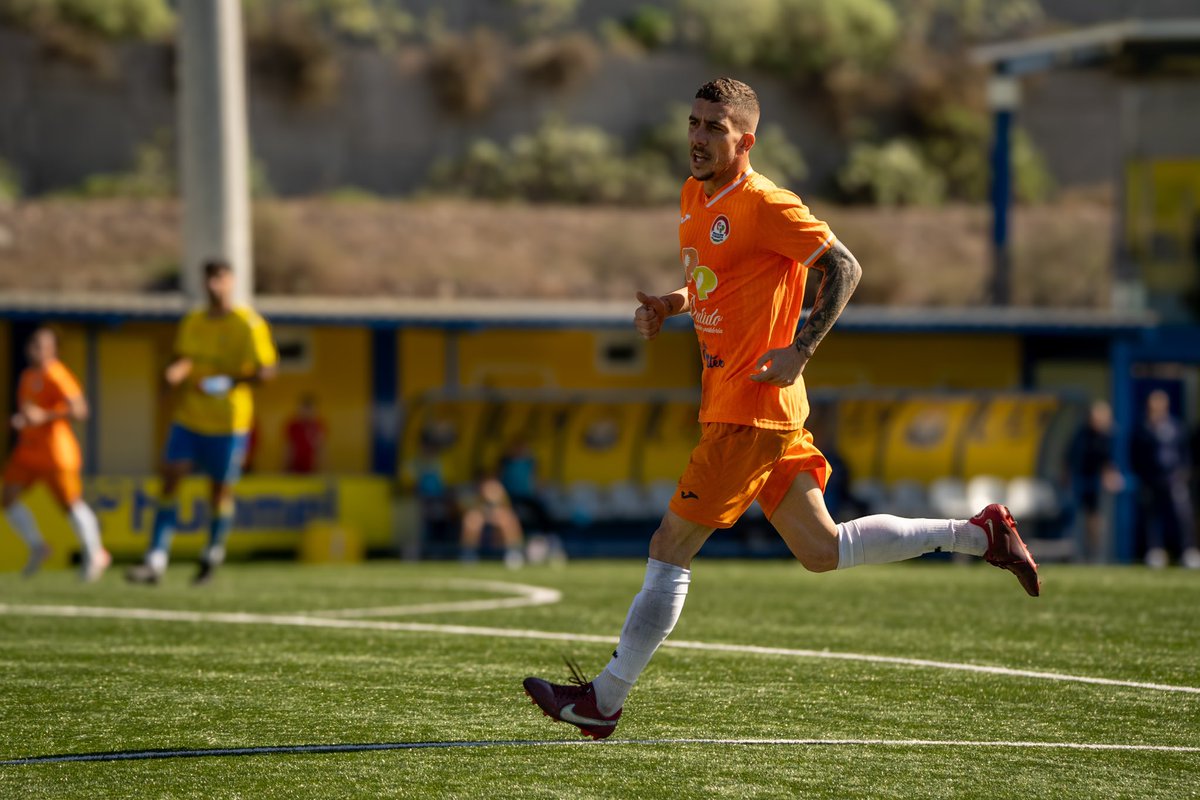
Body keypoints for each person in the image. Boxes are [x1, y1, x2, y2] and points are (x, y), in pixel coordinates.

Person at [522, 78, 1040, 740]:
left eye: (714, 127)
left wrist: (800, 348)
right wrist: (670, 306)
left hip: (752, 408)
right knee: (824, 549)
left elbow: (845, 268)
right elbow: (717, 280)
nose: (698, 137)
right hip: (751, 410)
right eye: (693, 123)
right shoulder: (693, 198)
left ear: (746, 139)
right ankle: (980, 534)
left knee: (668, 546)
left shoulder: (768, 203)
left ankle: (605, 700)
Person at [126, 259, 277, 586]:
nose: (214, 286)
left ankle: (211, 554)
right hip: (189, 418)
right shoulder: (193, 321)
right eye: (209, 279)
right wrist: (174, 374)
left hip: (228, 423)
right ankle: (156, 558)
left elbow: (266, 371)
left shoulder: (248, 324)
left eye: (220, 279)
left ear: (232, 282)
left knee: (219, 492)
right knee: (170, 479)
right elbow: (183, 359)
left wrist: (230, 381)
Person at [2, 327, 109, 581]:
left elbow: (81, 410)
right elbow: (32, 413)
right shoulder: (27, 376)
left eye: (42, 345)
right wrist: (22, 420)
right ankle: (38, 546)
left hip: (56, 453)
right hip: (28, 451)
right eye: (33, 344)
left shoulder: (58, 374)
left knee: (71, 504)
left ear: (53, 350)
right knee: (7, 498)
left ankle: (96, 553)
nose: (36, 349)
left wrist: (45, 416)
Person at [1130, 389, 1198, 568]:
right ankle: (1155, 551)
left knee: (1182, 515)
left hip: (1174, 478)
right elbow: (1135, 455)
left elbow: (1185, 452)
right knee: (1152, 517)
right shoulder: (1142, 428)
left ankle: (1188, 551)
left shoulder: (1176, 426)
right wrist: (1142, 476)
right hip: (1152, 479)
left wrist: (1184, 472)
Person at [1065, 399, 1123, 562]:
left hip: (1102, 489)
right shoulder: (1081, 435)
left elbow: (1113, 461)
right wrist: (1067, 476)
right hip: (1082, 484)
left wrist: (1111, 473)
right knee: (1079, 521)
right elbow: (1070, 456)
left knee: (1098, 522)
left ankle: (1099, 555)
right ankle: (1080, 555)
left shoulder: (1112, 436)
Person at [459, 469, 525, 569]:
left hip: (498, 516)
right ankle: (468, 554)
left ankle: (513, 553)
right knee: (472, 520)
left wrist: (496, 514)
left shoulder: (499, 488)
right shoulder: (475, 490)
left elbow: (506, 507)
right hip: (481, 515)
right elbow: (472, 507)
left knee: (507, 520)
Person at [283, 393, 327, 474]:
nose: (306, 412)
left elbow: (321, 450)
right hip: (294, 469)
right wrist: (285, 468)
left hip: (312, 470)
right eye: (304, 409)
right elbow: (288, 448)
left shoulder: (318, 426)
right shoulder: (293, 426)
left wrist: (322, 471)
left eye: (310, 409)